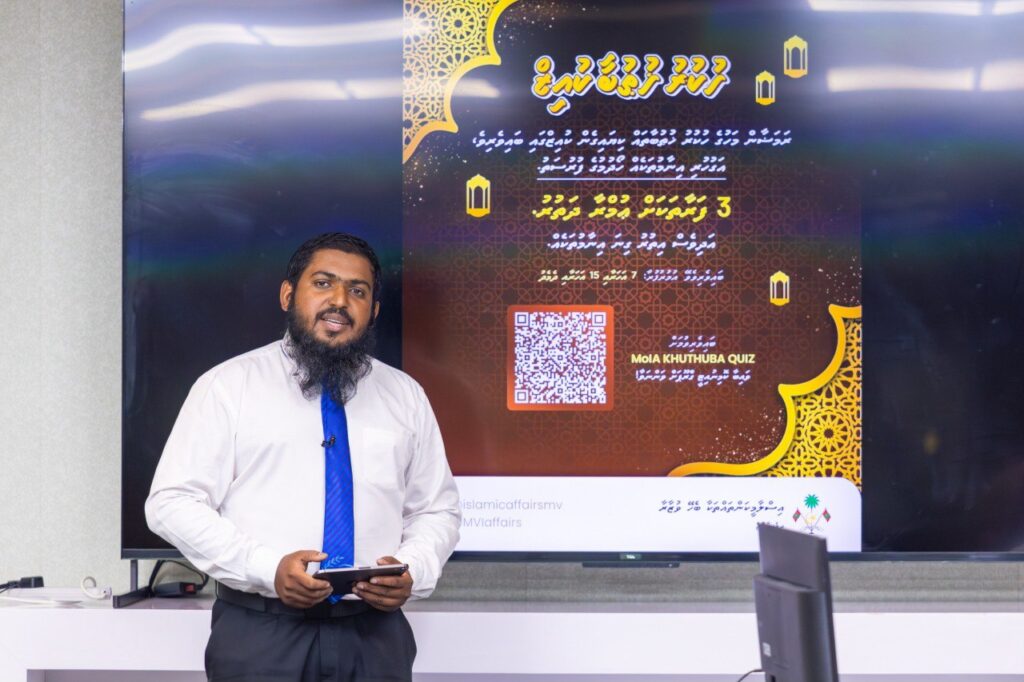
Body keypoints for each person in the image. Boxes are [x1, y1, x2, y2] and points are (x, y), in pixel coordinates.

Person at [145, 233, 461, 681]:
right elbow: (171, 502)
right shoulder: (228, 387)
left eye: (357, 290)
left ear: (373, 310)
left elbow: (437, 509)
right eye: (323, 283)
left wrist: (416, 570)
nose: (340, 301)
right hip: (261, 635)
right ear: (288, 295)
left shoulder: (405, 395)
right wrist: (267, 569)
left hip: (375, 636)